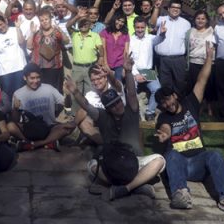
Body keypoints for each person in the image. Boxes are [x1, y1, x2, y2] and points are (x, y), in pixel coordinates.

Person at [154, 41, 224, 216]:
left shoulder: (191, 103)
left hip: (198, 163)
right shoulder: (164, 117)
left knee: (215, 154)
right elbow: (165, 128)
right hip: (178, 164)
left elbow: (202, 79)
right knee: (171, 154)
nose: (168, 104)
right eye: (163, 102)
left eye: (168, 98)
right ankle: (180, 194)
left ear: (174, 95)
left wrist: (209, 57)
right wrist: (165, 134)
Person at [66, 53, 166, 200]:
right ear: (107, 108)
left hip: (134, 160)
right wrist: (75, 91)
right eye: (112, 105)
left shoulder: (130, 111)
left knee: (160, 160)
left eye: (118, 102)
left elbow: (131, 93)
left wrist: (129, 71)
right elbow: (87, 106)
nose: (117, 106)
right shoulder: (102, 116)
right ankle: (138, 185)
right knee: (92, 165)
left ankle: (124, 188)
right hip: (113, 161)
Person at [8, 63, 76, 151]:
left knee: (69, 127)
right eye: (32, 78)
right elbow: (15, 120)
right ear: (25, 78)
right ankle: (47, 143)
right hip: (29, 129)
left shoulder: (49, 89)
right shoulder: (18, 93)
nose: (35, 81)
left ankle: (31, 145)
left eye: (38, 77)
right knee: (10, 126)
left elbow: (67, 106)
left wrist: (67, 95)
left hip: (48, 128)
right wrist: (15, 109)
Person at [149, 0, 191, 95]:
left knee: (180, 84)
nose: (175, 9)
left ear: (180, 10)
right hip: (163, 60)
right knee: (165, 85)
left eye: (178, 8)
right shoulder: (161, 20)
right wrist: (156, 8)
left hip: (179, 60)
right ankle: (167, 107)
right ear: (168, 8)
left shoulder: (186, 24)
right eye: (173, 7)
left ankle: (180, 106)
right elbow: (151, 24)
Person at [129, 16, 166, 121]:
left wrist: (162, 33)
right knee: (131, 90)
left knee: (158, 90)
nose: (140, 30)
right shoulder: (130, 40)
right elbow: (129, 60)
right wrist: (136, 74)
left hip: (148, 71)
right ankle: (134, 113)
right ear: (134, 27)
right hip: (134, 71)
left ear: (145, 27)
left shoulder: (150, 38)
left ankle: (150, 112)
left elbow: (160, 39)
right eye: (138, 27)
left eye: (142, 27)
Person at [27, 7, 69, 92]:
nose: (44, 21)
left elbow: (66, 41)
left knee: (55, 90)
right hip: (39, 68)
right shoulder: (37, 33)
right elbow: (29, 46)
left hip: (54, 68)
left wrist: (61, 32)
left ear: (50, 19)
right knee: (41, 91)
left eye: (46, 19)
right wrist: (32, 33)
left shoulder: (57, 32)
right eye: (42, 20)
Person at [187, 10, 216, 117]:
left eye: (203, 18)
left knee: (209, 86)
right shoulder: (190, 31)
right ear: (195, 20)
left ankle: (209, 107)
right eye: (198, 18)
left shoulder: (212, 31)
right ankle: (197, 106)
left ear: (207, 20)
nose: (200, 20)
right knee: (195, 86)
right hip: (194, 62)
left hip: (208, 62)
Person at [100, 13, 130, 82]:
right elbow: (103, 49)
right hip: (107, 62)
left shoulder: (125, 34)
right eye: (118, 20)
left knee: (118, 84)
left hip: (119, 63)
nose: (120, 23)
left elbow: (126, 51)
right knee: (105, 83)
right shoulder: (105, 32)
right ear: (114, 20)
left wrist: (124, 67)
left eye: (122, 22)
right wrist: (105, 64)